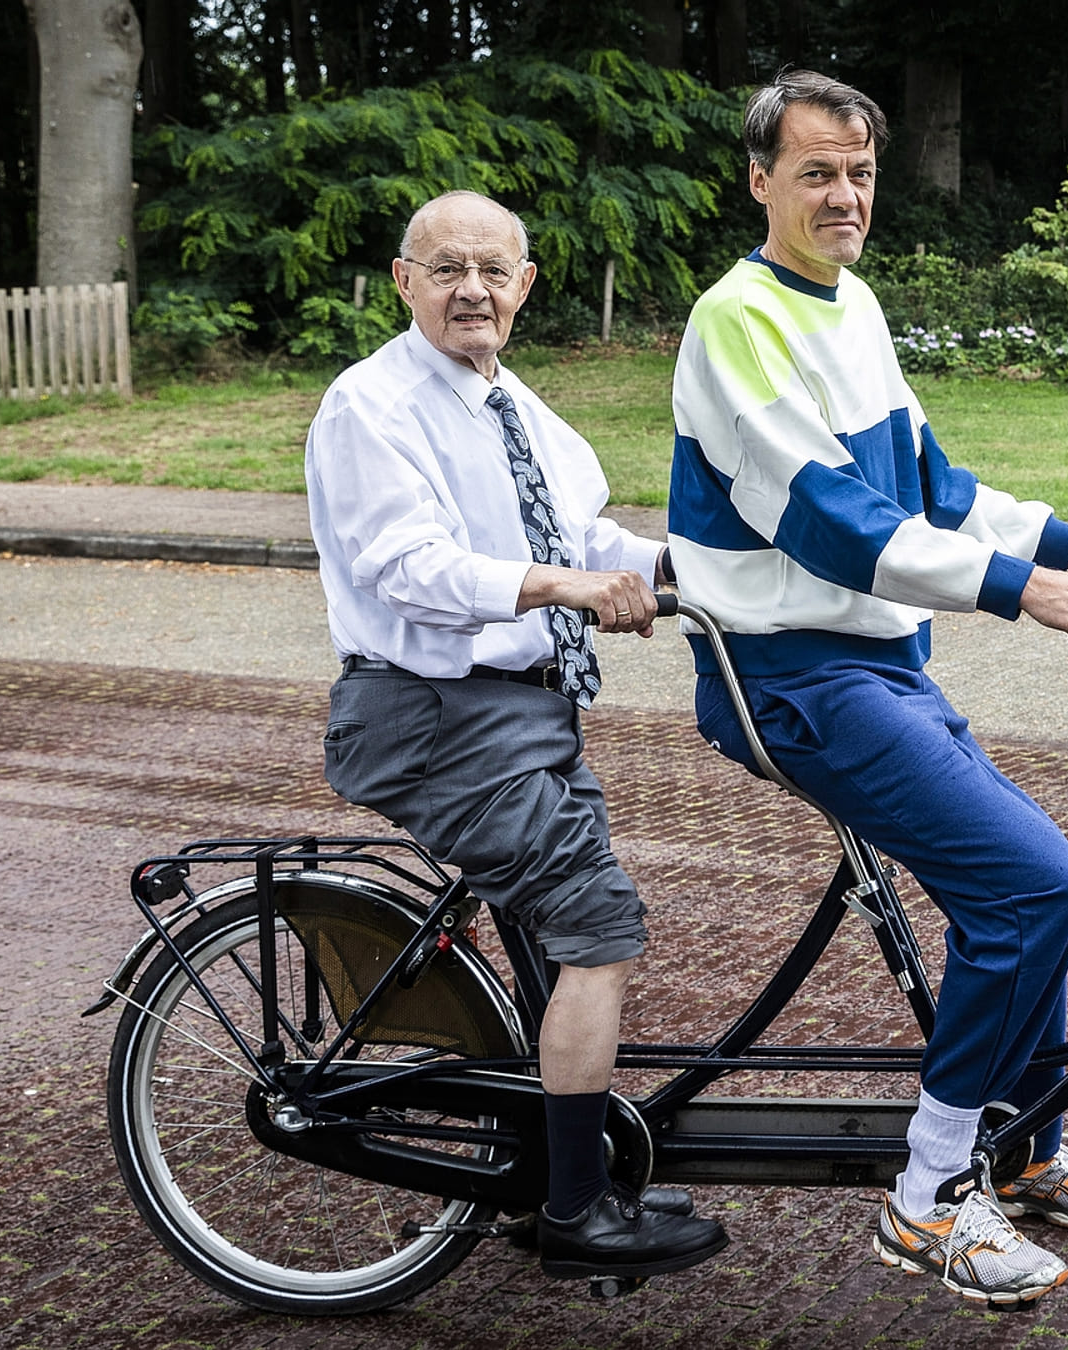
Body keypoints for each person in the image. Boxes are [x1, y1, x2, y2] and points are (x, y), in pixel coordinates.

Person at [667, 71, 1068, 1308]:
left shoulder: (855, 305)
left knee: (1035, 886)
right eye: (818, 171)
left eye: (861, 173)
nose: (845, 195)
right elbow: (828, 520)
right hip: (786, 675)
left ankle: (1025, 1150)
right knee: (1032, 883)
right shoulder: (737, 323)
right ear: (761, 180)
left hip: (879, 665)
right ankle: (931, 1196)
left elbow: (930, 482)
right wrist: (1013, 590)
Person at [306, 189, 729, 1284]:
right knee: (597, 925)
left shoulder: (518, 407)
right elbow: (409, 566)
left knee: (549, 935)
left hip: (529, 713)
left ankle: (550, 1161)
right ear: (404, 281)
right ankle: (578, 1213)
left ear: (526, 284)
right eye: (446, 268)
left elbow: (587, 531)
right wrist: (565, 586)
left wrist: (704, 573)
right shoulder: (373, 405)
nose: (473, 290)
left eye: (494, 270)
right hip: (432, 718)